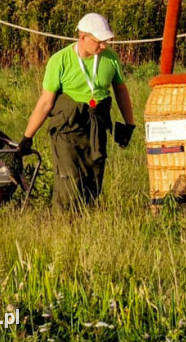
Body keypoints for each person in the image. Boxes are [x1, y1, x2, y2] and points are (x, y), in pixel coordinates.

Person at [19, 13, 136, 210]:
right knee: (70, 181)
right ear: (83, 37)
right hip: (67, 128)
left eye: (106, 41)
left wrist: (129, 124)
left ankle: (86, 226)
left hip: (96, 126)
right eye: (99, 42)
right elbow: (45, 103)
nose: (104, 46)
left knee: (94, 179)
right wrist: (27, 136)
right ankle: (65, 226)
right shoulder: (60, 61)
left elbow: (121, 92)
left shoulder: (110, 59)